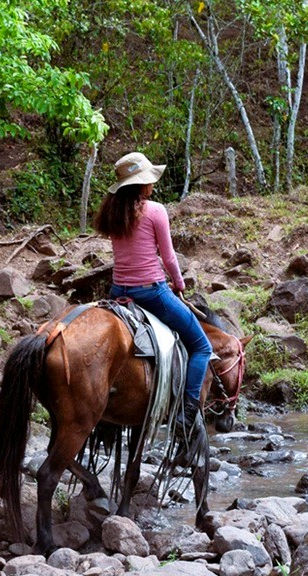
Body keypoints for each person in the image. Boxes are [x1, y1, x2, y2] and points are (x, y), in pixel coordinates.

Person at [93, 152, 212, 462]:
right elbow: (169, 258)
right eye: (149, 181)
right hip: (152, 293)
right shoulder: (155, 211)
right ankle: (186, 413)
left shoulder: (113, 212)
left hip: (119, 290)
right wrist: (180, 285)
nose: (152, 186)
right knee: (201, 346)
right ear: (143, 184)